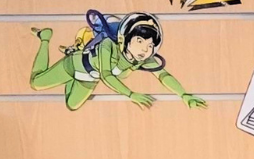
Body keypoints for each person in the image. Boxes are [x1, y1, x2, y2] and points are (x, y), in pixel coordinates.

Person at [29, 11, 205, 112]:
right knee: (36, 83)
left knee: (72, 105)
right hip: (74, 65)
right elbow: (106, 75)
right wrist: (130, 94)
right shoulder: (108, 45)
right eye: (140, 41)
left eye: (150, 45)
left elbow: (163, 75)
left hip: (89, 78)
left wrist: (183, 95)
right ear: (125, 38)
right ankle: (45, 38)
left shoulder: (142, 59)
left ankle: (72, 66)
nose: (145, 49)